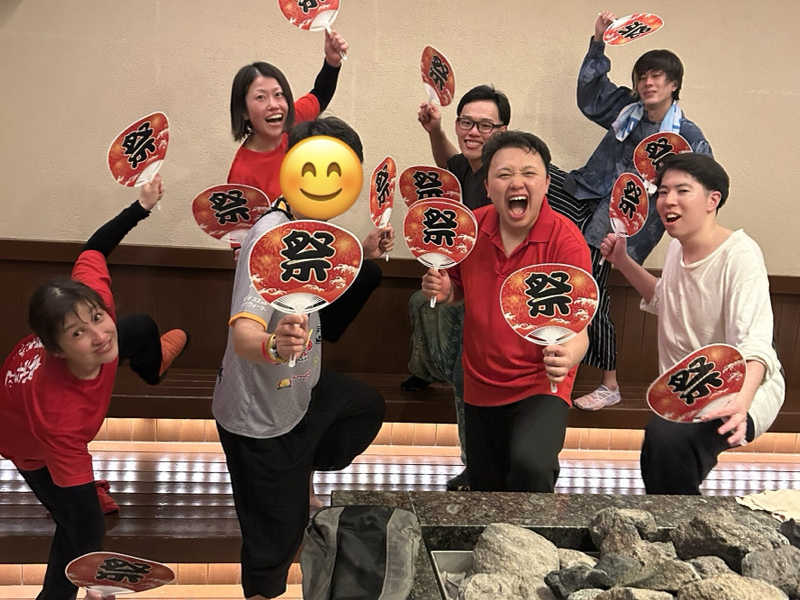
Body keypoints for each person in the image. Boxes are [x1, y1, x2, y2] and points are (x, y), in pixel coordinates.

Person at [212, 117, 388, 600]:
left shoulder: (313, 229)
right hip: (259, 415)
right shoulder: (269, 236)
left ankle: (301, 466)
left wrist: (365, 253)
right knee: (274, 539)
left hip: (300, 390)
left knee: (364, 406)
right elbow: (244, 332)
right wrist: (273, 345)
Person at [0, 176, 184, 600]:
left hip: (49, 395)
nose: (99, 334)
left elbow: (95, 248)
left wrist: (140, 207)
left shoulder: (92, 307)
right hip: (24, 439)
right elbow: (84, 521)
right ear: (57, 350)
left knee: (137, 328)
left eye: (97, 317)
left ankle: (153, 365)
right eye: (78, 333)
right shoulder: (58, 416)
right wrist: (97, 577)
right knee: (79, 524)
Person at [600, 153, 784, 494]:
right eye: (663, 191)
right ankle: (676, 520)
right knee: (661, 449)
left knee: (669, 442)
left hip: (742, 385)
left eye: (682, 190)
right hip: (686, 387)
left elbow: (756, 342)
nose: (668, 200)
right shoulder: (677, 248)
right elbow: (664, 299)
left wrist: (742, 402)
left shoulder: (740, 255)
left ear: (713, 200)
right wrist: (622, 261)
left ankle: (680, 522)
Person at [421, 131, 591, 493]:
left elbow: (579, 327)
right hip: (480, 381)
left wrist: (568, 356)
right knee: (486, 486)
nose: (517, 182)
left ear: (546, 183)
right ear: (487, 186)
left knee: (532, 466)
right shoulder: (470, 229)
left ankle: (537, 532)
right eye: (504, 174)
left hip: (540, 381)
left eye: (529, 173)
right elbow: (457, 290)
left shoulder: (566, 241)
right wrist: (446, 291)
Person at [566, 11, 712, 411]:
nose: (648, 83)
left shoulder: (686, 136)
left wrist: (686, 238)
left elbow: (702, 189)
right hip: (589, 191)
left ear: (674, 84)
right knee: (538, 181)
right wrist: (599, 42)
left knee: (589, 286)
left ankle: (609, 382)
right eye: (642, 76)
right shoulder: (627, 110)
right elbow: (590, 96)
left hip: (628, 220)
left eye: (657, 76)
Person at [407, 85, 510, 491]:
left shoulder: (502, 178)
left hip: (495, 297)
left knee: (465, 371)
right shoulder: (468, 167)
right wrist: (434, 129)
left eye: (485, 125)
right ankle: (430, 370)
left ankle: (479, 466)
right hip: (463, 284)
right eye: (466, 122)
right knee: (421, 301)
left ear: (503, 130)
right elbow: (448, 161)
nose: (473, 132)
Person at [227, 30, 348, 202]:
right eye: (260, 97)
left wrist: (332, 62)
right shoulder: (241, 175)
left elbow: (321, 95)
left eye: (278, 94)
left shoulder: (294, 118)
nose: (273, 105)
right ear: (243, 111)